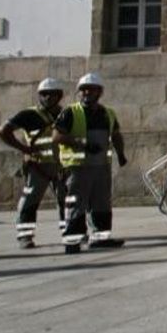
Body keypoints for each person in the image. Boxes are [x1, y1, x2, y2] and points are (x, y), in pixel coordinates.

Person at [54, 73, 128, 253]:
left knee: (101, 204)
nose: (86, 92)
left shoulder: (107, 113)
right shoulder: (70, 112)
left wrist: (121, 154)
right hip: (77, 168)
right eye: (83, 89)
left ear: (99, 92)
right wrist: (82, 143)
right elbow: (57, 136)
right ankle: (72, 241)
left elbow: (116, 135)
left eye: (91, 89)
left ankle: (100, 238)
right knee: (76, 203)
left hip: (101, 166)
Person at [0, 78, 68, 248]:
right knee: (31, 199)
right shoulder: (29, 114)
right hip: (38, 166)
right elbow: (2, 131)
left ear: (59, 96)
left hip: (61, 166)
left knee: (66, 200)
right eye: (44, 94)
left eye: (52, 94)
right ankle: (25, 235)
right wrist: (23, 148)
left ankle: (69, 232)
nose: (48, 98)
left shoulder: (66, 114)